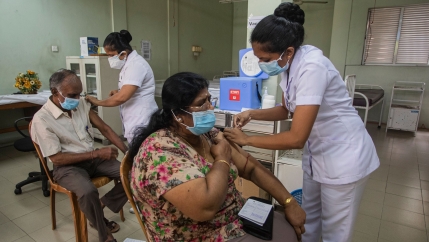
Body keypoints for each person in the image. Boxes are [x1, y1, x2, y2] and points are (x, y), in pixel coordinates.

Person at [223, 3, 380, 242]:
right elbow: (286, 109)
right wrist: (252, 113)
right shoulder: (287, 66)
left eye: (265, 59)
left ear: (287, 51)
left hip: (344, 157)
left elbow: (296, 138)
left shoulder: (312, 67)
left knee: (335, 233)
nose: (262, 64)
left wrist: (248, 140)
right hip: (318, 155)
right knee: (309, 221)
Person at [128, 72, 306, 242]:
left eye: (209, 100)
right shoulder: (159, 153)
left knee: (286, 227)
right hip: (201, 234)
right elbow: (205, 209)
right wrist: (222, 159)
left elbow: (250, 168)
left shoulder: (206, 134)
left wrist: (289, 202)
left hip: (232, 217)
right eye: (202, 103)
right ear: (178, 116)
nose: (211, 107)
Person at [31, 69, 129, 242]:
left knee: (132, 174)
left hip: (93, 159)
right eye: (72, 95)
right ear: (55, 92)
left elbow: (104, 128)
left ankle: (99, 207)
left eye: (79, 94)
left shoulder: (81, 104)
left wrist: (127, 152)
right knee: (87, 191)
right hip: (67, 167)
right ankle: (104, 234)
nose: (77, 99)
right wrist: (96, 153)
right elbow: (57, 159)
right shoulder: (42, 119)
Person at [85, 29, 158, 145]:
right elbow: (129, 89)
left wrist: (97, 102)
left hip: (142, 118)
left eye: (111, 55)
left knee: (142, 150)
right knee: (136, 149)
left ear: (123, 53)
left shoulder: (136, 65)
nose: (109, 59)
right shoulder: (129, 64)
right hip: (133, 115)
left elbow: (122, 98)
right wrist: (119, 91)